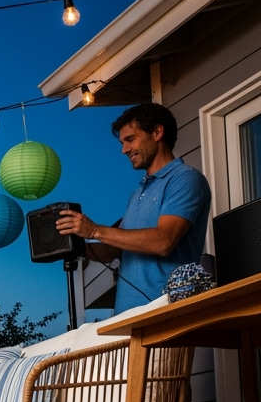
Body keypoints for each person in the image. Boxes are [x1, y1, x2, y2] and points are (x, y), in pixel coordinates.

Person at [55, 103, 211, 312]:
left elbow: (163, 241)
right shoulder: (137, 194)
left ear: (157, 132)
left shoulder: (184, 179)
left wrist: (94, 230)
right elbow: (115, 250)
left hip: (164, 314)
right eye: (122, 142)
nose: (124, 150)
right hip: (126, 317)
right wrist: (74, 243)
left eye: (130, 139)